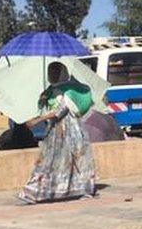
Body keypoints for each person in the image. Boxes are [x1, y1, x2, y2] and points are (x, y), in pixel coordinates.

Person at [18, 62, 97, 204]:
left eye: (55, 72)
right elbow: (47, 107)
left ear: (62, 73)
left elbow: (61, 110)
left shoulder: (65, 91)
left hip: (68, 130)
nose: (52, 75)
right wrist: (43, 100)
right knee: (50, 161)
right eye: (50, 72)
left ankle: (83, 189)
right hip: (55, 131)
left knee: (72, 161)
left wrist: (37, 120)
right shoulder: (51, 90)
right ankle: (35, 191)